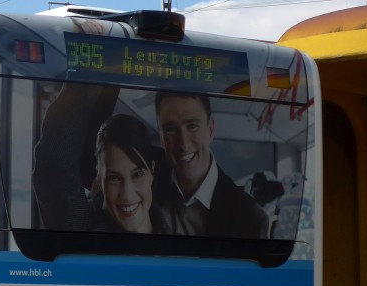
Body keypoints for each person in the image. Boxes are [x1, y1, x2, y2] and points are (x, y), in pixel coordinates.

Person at [32, 85, 169, 235]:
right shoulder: (83, 233)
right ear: (99, 179)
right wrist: (90, 69)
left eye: (137, 174)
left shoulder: (181, 230)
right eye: (113, 178)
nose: (127, 194)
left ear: (152, 170)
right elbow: (53, 163)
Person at [153, 92, 268, 238]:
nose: (184, 144)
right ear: (161, 137)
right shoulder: (145, 189)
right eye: (170, 130)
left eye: (192, 126)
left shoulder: (250, 219)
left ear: (211, 130)